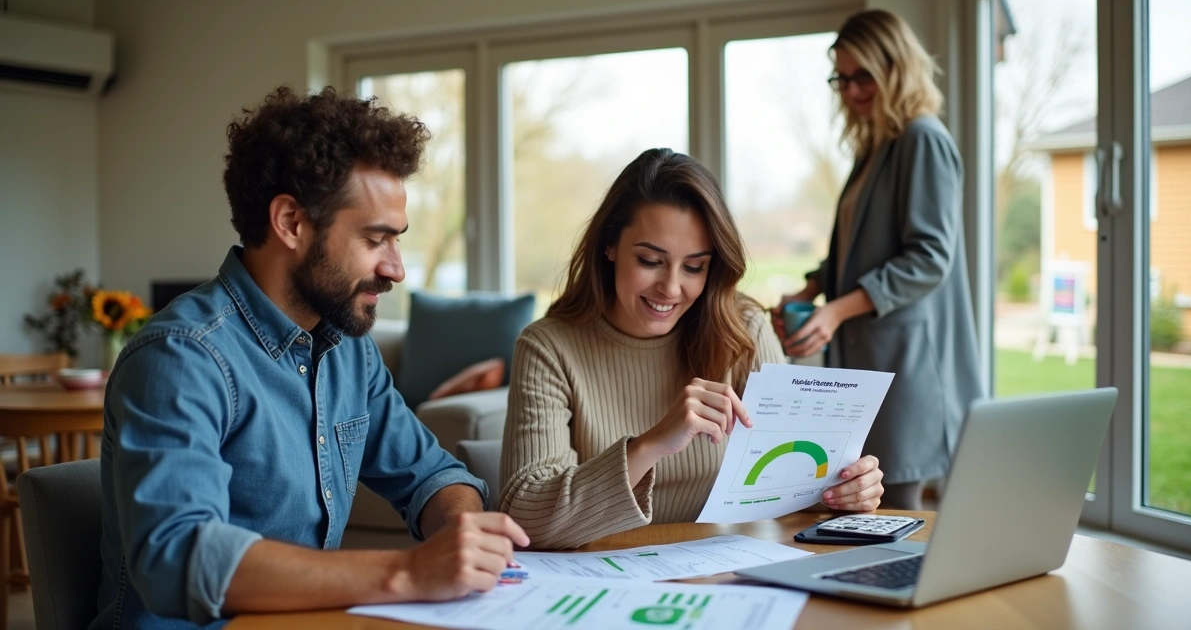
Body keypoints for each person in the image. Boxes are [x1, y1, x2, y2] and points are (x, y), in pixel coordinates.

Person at [92, 86, 529, 629]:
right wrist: (406, 572)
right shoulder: (181, 358)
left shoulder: (349, 351)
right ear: (291, 222)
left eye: (398, 241)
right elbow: (177, 559)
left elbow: (432, 476)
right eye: (376, 239)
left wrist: (462, 534)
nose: (396, 269)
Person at [498, 148, 885, 550]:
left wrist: (844, 494)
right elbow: (526, 519)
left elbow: (792, 497)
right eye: (650, 260)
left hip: (727, 577)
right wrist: (649, 445)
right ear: (609, 245)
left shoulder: (743, 332)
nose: (670, 288)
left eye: (694, 267)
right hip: (599, 580)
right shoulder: (548, 347)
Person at [773, 9, 983, 510]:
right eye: (841, 79)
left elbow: (930, 257)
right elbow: (857, 249)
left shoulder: (922, 139)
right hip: (874, 359)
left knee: (898, 510)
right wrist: (810, 291)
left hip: (908, 363)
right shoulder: (876, 146)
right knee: (868, 501)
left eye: (863, 76)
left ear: (897, 68)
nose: (850, 91)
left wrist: (836, 310)